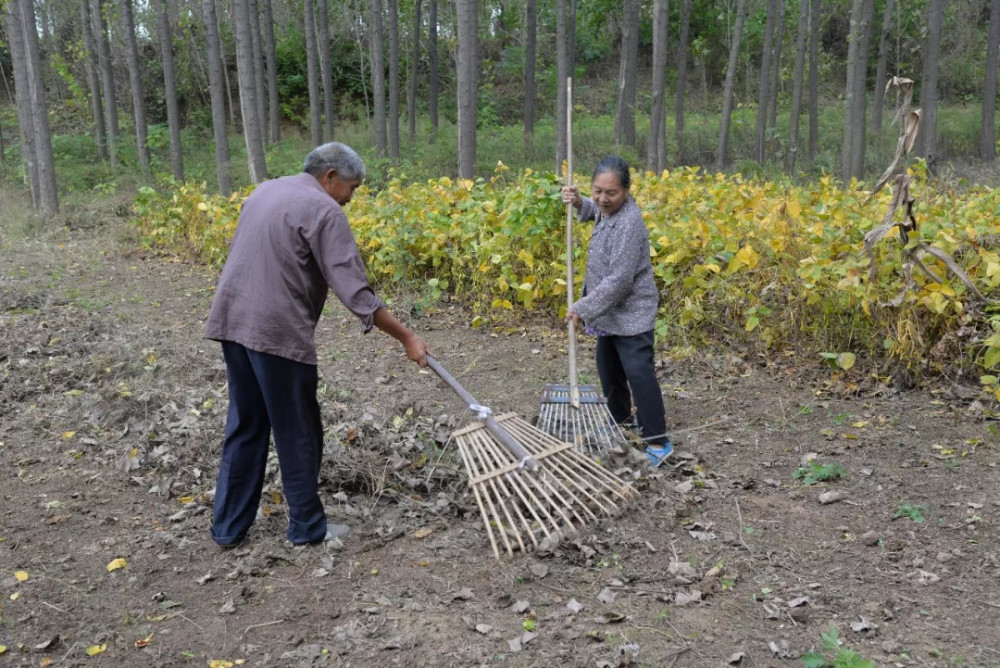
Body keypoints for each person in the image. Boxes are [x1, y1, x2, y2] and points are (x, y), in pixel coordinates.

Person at [204, 142, 430, 547]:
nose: (350, 199)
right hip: (276, 330)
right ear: (330, 177)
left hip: (232, 319)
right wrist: (407, 336)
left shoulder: (266, 191)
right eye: (352, 189)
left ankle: (227, 529)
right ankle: (308, 530)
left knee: (246, 425)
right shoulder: (324, 209)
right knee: (299, 431)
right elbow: (355, 291)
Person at [561, 156, 672, 466]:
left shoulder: (629, 224)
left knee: (638, 374)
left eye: (611, 193)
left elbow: (620, 281)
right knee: (609, 369)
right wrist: (579, 202)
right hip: (608, 312)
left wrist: (582, 308)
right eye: (597, 191)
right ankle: (620, 418)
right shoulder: (605, 208)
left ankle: (658, 441)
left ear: (626, 191)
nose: (603, 199)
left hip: (632, 313)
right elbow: (593, 211)